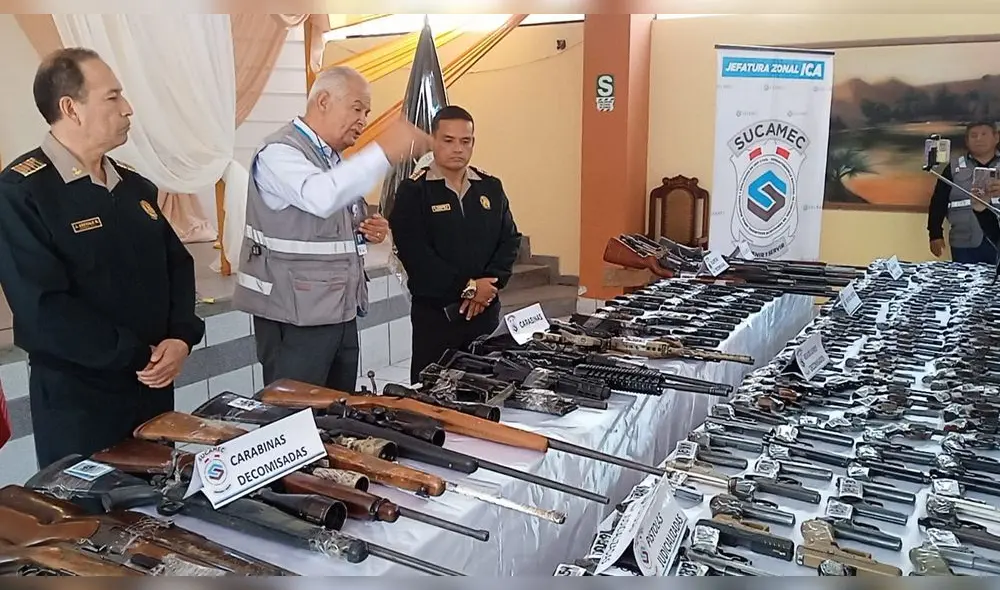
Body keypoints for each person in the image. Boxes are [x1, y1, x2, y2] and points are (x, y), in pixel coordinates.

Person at [0, 48, 204, 468]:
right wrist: (136, 354)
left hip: (153, 389)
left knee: (162, 514)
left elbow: (177, 267)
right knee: (91, 521)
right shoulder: (23, 193)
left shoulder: (133, 187)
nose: (128, 109)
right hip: (80, 402)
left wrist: (181, 337)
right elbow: (44, 308)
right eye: (113, 98)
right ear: (70, 108)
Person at [232, 66, 431, 392]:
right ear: (323, 100)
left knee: (337, 412)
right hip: (294, 317)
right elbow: (321, 196)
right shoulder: (279, 152)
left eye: (366, 112)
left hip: (338, 310)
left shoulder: (333, 159)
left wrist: (367, 229)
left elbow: (331, 222)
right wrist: (383, 151)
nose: (364, 120)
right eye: (356, 108)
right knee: (297, 416)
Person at [389, 106, 522, 384]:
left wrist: (487, 288)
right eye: (448, 140)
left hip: (484, 313)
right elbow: (417, 256)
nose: (457, 149)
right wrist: (469, 287)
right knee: (433, 394)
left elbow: (509, 240)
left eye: (466, 141)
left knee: (485, 388)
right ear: (433, 142)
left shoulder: (490, 187)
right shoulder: (413, 192)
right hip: (437, 318)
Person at [927, 121, 1000, 264]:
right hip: (964, 243)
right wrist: (935, 234)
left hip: (997, 241)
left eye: (984, 134)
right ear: (966, 141)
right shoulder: (953, 168)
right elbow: (938, 201)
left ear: (996, 137)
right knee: (963, 282)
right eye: (973, 135)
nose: (979, 139)